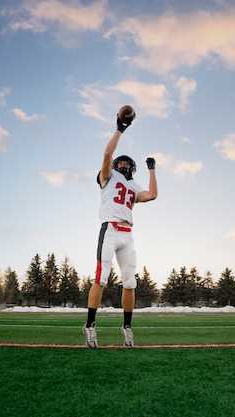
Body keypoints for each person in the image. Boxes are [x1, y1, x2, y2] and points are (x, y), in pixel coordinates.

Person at [83, 109, 158, 348]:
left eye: (127, 163)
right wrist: (120, 129)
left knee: (130, 283)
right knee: (101, 278)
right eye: (120, 162)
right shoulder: (108, 176)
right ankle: (90, 325)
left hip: (128, 235)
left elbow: (152, 194)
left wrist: (152, 170)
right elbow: (107, 152)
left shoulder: (133, 185)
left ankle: (126, 327)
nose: (123, 164)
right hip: (110, 231)